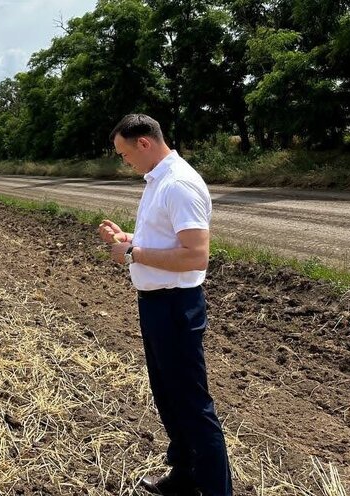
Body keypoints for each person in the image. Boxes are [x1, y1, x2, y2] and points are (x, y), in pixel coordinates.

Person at [98, 114, 232, 496]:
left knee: (192, 403)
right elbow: (167, 238)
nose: (125, 162)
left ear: (144, 143)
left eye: (125, 154)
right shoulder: (158, 180)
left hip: (176, 306)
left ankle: (215, 490)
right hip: (157, 305)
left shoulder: (179, 184)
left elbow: (195, 256)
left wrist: (132, 253)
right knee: (168, 396)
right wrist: (130, 238)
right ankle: (185, 478)